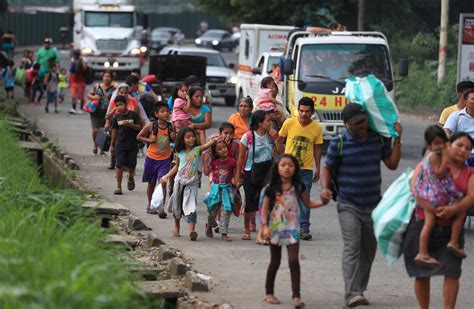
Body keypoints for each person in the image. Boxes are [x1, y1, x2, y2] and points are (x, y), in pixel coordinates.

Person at [320, 103, 402, 307]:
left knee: (368, 251)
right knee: (352, 247)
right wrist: (325, 188)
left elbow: (392, 164)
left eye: (364, 121)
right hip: (348, 203)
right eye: (357, 123)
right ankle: (351, 293)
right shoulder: (339, 141)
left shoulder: (377, 139)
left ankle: (359, 289)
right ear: (347, 124)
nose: (362, 125)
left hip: (374, 204)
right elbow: (327, 167)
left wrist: (398, 140)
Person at [404, 132, 474, 309]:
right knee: (421, 273)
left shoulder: (470, 172)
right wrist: (431, 208)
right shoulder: (429, 162)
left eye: (468, 148)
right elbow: (414, 188)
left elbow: (472, 196)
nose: (463, 150)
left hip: (451, 232)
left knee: (452, 272)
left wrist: (453, 209)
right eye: (459, 145)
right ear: (448, 144)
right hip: (422, 225)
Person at [261, 154, 331, 307]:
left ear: (295, 169)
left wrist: (323, 202)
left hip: (292, 230)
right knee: (275, 262)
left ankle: (296, 297)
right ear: (277, 168)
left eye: (290, 165)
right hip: (275, 229)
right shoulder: (271, 188)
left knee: (294, 262)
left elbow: (309, 203)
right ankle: (269, 293)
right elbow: (264, 209)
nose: (287, 168)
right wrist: (265, 227)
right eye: (283, 165)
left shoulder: (298, 186)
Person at [413, 126, 466, 269]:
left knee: (429, 223)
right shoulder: (434, 156)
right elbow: (439, 173)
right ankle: (453, 242)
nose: (441, 146)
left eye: (443, 142)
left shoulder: (428, 155)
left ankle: (423, 252)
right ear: (429, 145)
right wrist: (446, 159)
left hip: (427, 194)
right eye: (436, 143)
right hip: (435, 195)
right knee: (460, 211)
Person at [275, 97, 323, 240]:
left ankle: (304, 228)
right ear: (297, 110)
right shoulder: (289, 123)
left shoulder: (316, 128)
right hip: (287, 170)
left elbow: (317, 149)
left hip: (305, 170)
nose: (303, 114)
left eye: (307, 111)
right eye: (301, 111)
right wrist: (282, 159)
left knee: (304, 199)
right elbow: (279, 140)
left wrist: (318, 168)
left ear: (312, 112)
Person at [160, 127, 218, 241]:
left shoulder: (197, 150)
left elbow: (208, 144)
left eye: (192, 136)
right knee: (177, 206)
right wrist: (166, 176)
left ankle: (192, 231)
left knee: (191, 206)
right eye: (188, 137)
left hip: (192, 184)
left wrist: (215, 140)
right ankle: (177, 227)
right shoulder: (178, 152)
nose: (191, 139)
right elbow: (176, 166)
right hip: (179, 182)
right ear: (182, 139)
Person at [235, 110, 276, 242]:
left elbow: (280, 151)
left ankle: (264, 230)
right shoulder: (248, 136)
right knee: (250, 202)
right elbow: (240, 159)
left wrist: (277, 138)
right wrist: (237, 176)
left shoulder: (271, 136)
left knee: (267, 202)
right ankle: (247, 229)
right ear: (259, 123)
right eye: (268, 121)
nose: (270, 123)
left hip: (268, 173)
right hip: (251, 172)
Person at [137, 102, 175, 216]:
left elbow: (174, 141)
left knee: (162, 182)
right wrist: (149, 140)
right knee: (151, 183)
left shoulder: (171, 126)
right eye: (162, 111)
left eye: (167, 111)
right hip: (151, 158)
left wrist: (174, 138)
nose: (166, 113)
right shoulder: (151, 126)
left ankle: (161, 207)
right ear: (156, 114)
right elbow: (138, 136)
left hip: (165, 159)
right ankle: (150, 204)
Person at [203, 139, 237, 242]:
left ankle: (224, 234)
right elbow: (206, 172)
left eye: (224, 147)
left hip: (227, 190)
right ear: (215, 152)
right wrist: (205, 161)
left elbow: (235, 175)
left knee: (226, 211)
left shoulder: (232, 161)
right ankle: (209, 225)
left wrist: (235, 181)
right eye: (219, 149)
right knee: (212, 211)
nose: (223, 150)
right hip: (215, 190)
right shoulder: (214, 162)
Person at [110, 95, 143, 195]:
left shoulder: (133, 115)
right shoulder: (116, 117)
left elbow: (140, 127)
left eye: (121, 104)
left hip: (132, 144)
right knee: (119, 165)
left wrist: (131, 125)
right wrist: (112, 145)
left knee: (131, 165)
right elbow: (114, 131)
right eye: (116, 105)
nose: (119, 107)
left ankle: (130, 177)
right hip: (120, 144)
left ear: (126, 104)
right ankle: (118, 187)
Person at [105, 83, 141, 169]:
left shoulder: (133, 100)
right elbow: (108, 115)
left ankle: (124, 163)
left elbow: (137, 114)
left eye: (125, 93)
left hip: (130, 128)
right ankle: (114, 162)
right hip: (117, 125)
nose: (124, 94)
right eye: (121, 92)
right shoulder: (115, 101)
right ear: (118, 93)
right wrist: (116, 108)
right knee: (114, 142)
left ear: (128, 93)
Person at [87, 70, 116, 154]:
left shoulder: (114, 89)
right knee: (95, 130)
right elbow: (89, 95)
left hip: (107, 113)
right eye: (105, 76)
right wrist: (94, 97)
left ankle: (101, 147)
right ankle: (95, 145)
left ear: (111, 78)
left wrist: (103, 89)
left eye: (108, 77)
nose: (106, 78)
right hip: (95, 111)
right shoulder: (96, 86)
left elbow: (109, 98)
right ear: (102, 77)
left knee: (104, 131)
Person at [444, 88, 474, 166]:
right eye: (473, 99)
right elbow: (446, 131)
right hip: (462, 152)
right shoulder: (456, 116)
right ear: (466, 102)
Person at [68, 49, 87, 114]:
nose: (76, 55)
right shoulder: (72, 60)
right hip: (73, 81)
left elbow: (85, 69)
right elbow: (70, 71)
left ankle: (81, 109)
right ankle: (73, 108)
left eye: (77, 54)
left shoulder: (83, 60)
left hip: (81, 82)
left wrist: (81, 61)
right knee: (73, 96)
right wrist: (69, 80)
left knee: (81, 96)